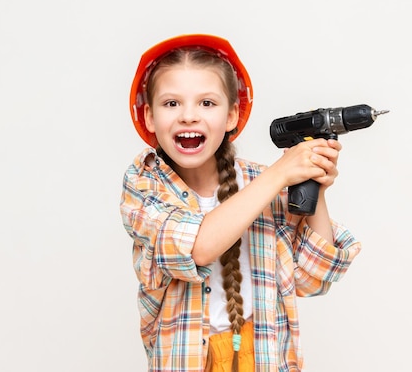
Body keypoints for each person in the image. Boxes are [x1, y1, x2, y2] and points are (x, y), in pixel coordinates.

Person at [120, 34, 362, 372]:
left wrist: (313, 181)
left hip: (260, 356)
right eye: (172, 103)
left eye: (207, 103)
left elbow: (313, 278)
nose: (189, 116)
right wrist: (281, 172)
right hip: (190, 361)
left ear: (232, 115)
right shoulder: (145, 186)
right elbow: (197, 248)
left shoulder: (260, 182)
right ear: (148, 118)